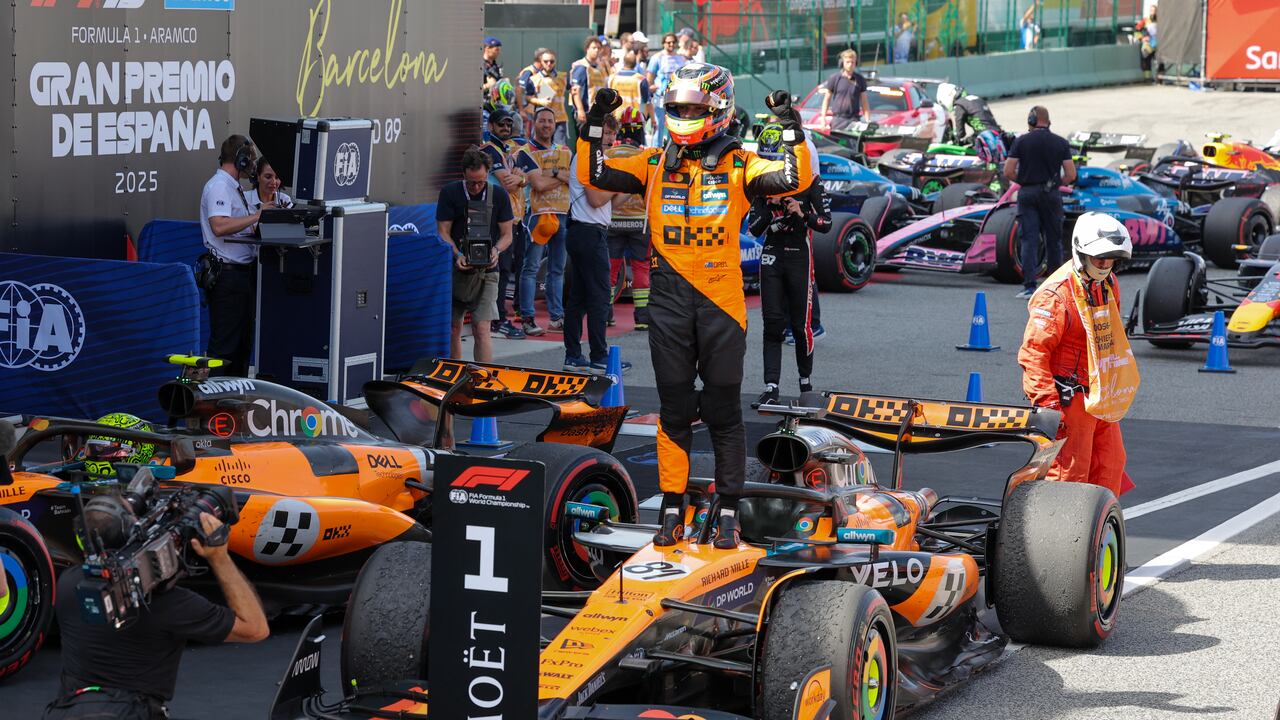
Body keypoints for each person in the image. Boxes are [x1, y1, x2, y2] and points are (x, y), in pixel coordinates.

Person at [576, 65, 816, 548]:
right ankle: (671, 504)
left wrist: (791, 124)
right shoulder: (652, 162)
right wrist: (595, 124)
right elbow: (592, 172)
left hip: (721, 300)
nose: (684, 116)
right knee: (675, 409)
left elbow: (795, 178)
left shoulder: (741, 162)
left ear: (717, 109)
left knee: (724, 410)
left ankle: (728, 507)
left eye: (693, 109)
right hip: (667, 301)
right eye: (677, 109)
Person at [48, 504, 268, 719]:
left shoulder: (68, 583)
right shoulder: (169, 604)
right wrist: (220, 558)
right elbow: (255, 628)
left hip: (68, 710)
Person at [1018, 212, 1140, 497]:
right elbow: (1033, 353)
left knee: (1110, 464)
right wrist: (1050, 408)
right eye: (1099, 258)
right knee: (1070, 474)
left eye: (1110, 259)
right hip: (1067, 398)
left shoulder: (1108, 283)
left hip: (1099, 394)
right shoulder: (1056, 295)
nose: (1105, 264)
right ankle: (1058, 537)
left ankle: (1096, 533)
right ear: (1081, 253)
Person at [748, 123, 831, 406]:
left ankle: (805, 382)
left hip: (799, 255)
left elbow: (825, 224)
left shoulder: (811, 180)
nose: (770, 167)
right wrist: (771, 208)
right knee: (772, 323)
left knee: (800, 325)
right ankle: (771, 386)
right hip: (772, 255)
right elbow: (753, 229)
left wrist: (802, 211)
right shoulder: (759, 185)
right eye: (766, 160)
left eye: (776, 160)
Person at [564, 114, 630, 373]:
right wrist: (619, 182)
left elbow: (609, 203)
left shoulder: (597, 159)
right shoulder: (587, 157)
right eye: (605, 132)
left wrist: (632, 186)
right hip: (588, 233)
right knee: (600, 296)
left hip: (587, 231)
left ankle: (573, 356)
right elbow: (595, 199)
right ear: (592, 134)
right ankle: (599, 357)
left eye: (613, 133)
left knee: (579, 299)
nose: (610, 138)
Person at [437, 148, 513, 368]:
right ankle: (453, 376)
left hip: (488, 270)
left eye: (480, 182)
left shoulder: (498, 195)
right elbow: (443, 231)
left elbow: (507, 235)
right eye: (471, 183)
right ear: (463, 175)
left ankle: (483, 379)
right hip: (457, 269)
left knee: (482, 328)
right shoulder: (450, 193)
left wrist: (496, 251)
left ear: (488, 173)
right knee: (454, 327)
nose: (476, 187)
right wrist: (457, 254)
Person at [199, 134, 261, 378]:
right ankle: (212, 408)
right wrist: (257, 216)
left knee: (241, 349)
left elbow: (238, 226)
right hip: (227, 276)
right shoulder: (219, 186)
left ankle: (233, 409)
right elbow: (220, 226)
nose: (253, 166)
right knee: (224, 350)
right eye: (251, 161)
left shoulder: (233, 188)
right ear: (241, 160)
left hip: (241, 276)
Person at [1004, 106, 1076, 298]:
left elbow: (1008, 171)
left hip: (1027, 193)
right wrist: (1055, 184)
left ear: (1032, 120)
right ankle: (1056, 286)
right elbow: (1071, 174)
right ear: (1048, 121)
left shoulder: (1021, 141)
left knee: (1029, 239)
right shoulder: (1060, 142)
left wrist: (1025, 181)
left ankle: (1029, 286)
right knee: (1054, 240)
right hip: (1051, 195)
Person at [480, 108, 540, 338]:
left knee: (506, 271)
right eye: (500, 125)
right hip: (496, 220)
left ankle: (499, 319)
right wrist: (522, 179)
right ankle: (497, 321)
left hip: (513, 219)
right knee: (500, 271)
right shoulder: (489, 149)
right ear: (491, 127)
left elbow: (524, 179)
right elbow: (509, 184)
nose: (505, 128)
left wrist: (520, 178)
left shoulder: (507, 150)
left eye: (508, 125)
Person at [520, 107, 570, 337]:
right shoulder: (525, 152)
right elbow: (537, 185)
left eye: (550, 121)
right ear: (534, 123)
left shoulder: (564, 151)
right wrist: (559, 177)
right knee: (531, 268)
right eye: (542, 121)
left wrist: (553, 173)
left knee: (557, 269)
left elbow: (572, 179)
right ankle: (528, 318)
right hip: (537, 215)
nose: (547, 125)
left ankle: (556, 318)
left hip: (561, 214)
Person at [607, 107, 651, 330]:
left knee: (611, 268)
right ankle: (642, 318)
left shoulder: (610, 154)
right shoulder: (646, 155)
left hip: (613, 219)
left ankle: (605, 313)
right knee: (642, 268)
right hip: (640, 221)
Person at [936, 82, 1010, 166]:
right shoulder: (977, 99)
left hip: (985, 139)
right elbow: (984, 123)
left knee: (966, 160)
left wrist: (954, 140)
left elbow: (960, 133)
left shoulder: (959, 105)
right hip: (997, 135)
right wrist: (967, 140)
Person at [646, 33, 687, 147]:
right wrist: (652, 88)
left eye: (673, 42)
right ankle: (656, 150)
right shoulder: (657, 57)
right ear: (663, 43)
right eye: (668, 42)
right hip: (661, 97)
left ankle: (671, 149)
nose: (671, 44)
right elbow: (650, 76)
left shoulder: (680, 58)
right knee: (658, 125)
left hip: (677, 98)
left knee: (674, 125)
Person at [569, 35, 608, 143]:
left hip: (598, 114)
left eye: (599, 48)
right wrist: (580, 110)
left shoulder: (600, 67)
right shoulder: (581, 66)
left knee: (595, 142)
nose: (597, 50)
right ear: (587, 49)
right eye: (594, 48)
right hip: (585, 113)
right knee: (585, 143)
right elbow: (575, 91)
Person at [525, 49, 569, 146]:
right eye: (546, 61)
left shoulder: (563, 77)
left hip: (559, 119)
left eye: (552, 61)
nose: (549, 64)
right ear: (541, 61)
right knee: (539, 145)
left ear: (555, 61)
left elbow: (575, 91)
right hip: (542, 119)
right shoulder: (534, 79)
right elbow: (527, 97)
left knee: (560, 147)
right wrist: (539, 101)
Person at [819, 49, 870, 131]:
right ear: (842, 63)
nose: (850, 64)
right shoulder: (834, 78)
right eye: (847, 62)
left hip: (854, 120)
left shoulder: (860, 80)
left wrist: (868, 120)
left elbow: (864, 102)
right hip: (838, 120)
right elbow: (826, 99)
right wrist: (823, 119)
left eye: (852, 62)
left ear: (855, 63)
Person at [608, 50, 653, 127]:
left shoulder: (612, 78)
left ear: (624, 62)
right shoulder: (641, 79)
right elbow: (647, 102)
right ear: (635, 63)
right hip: (634, 121)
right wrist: (653, 119)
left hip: (616, 120)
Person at [482, 35, 504, 102]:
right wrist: (487, 85)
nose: (498, 52)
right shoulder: (478, 66)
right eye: (496, 50)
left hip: (495, 102)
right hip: (482, 104)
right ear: (487, 48)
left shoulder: (496, 66)